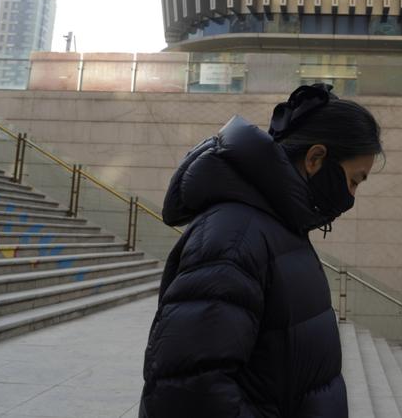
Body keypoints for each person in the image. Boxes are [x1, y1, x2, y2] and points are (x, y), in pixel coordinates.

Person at [139, 84, 382, 417]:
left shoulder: (277, 226)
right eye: (355, 180)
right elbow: (190, 390)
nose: (351, 196)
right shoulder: (235, 236)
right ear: (315, 159)